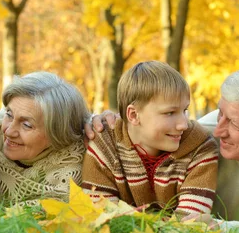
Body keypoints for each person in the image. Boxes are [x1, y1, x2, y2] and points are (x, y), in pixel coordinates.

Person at [89, 65, 239, 230]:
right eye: (220, 114)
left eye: (234, 123)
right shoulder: (199, 137)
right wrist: (108, 126)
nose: (218, 130)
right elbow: (142, 130)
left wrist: (215, 227)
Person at [81, 61, 219, 217]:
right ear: (133, 115)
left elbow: (191, 222)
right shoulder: (105, 144)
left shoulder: (199, 146)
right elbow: (101, 214)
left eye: (184, 110)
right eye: (170, 113)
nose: (183, 125)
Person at [0, 72, 90, 205]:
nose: (9, 131)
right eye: (9, 115)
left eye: (27, 125)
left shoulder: (70, 171)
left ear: (57, 133)